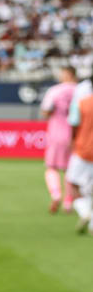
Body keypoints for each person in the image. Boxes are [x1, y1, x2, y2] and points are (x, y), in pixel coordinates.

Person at [41, 67, 78, 213]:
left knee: (52, 167)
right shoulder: (82, 91)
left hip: (57, 133)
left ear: (68, 74)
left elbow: (46, 110)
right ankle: (68, 202)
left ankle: (56, 194)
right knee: (71, 170)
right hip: (76, 135)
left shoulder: (55, 90)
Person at [67, 81, 93, 233]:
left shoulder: (82, 103)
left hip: (83, 150)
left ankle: (85, 212)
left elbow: (73, 124)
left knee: (73, 184)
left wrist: (72, 142)